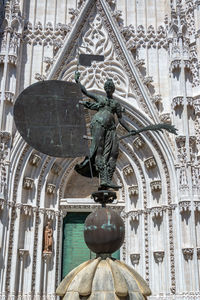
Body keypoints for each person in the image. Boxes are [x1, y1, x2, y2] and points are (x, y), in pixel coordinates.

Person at [75, 71, 134, 189]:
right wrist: (77, 81)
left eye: (110, 87)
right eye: (107, 87)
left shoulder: (116, 104)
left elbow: (121, 120)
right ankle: (103, 179)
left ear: (113, 89)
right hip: (98, 124)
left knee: (114, 152)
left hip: (111, 128)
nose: (108, 88)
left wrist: (129, 130)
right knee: (99, 150)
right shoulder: (100, 98)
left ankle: (107, 178)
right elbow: (85, 92)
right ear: (105, 88)